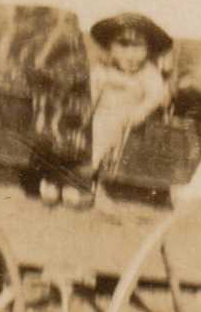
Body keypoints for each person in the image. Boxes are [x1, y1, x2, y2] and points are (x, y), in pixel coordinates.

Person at [66, 11, 174, 205]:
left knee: (105, 126)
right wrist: (84, 110)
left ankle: (86, 172)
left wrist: (140, 111)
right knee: (83, 124)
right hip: (100, 114)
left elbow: (155, 95)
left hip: (129, 120)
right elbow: (92, 92)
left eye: (138, 47)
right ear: (110, 47)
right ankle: (72, 172)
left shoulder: (148, 73)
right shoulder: (103, 70)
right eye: (123, 46)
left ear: (149, 50)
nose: (130, 54)